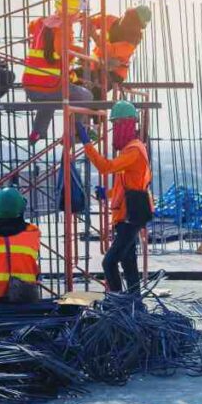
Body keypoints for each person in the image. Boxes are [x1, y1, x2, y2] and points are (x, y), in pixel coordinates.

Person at [80, 101, 153, 294]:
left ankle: (117, 303)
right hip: (128, 214)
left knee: (109, 262)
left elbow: (106, 167)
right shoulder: (132, 148)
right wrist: (109, 193)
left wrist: (88, 144)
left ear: (127, 125)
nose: (115, 129)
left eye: (117, 125)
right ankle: (133, 304)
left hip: (131, 216)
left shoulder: (134, 150)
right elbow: (128, 184)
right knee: (129, 263)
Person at [22, 0, 93, 143]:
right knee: (86, 96)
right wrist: (83, 54)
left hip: (31, 89)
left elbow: (35, 30)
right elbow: (62, 51)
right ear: (72, 12)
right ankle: (73, 133)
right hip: (50, 88)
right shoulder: (63, 29)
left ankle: (37, 131)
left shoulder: (40, 23)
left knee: (48, 102)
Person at [85, 5, 152, 100]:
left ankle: (93, 112)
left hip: (114, 73)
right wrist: (90, 26)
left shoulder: (131, 42)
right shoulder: (110, 20)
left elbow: (111, 51)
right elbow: (91, 22)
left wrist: (95, 36)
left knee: (95, 93)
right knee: (75, 81)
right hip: (95, 66)